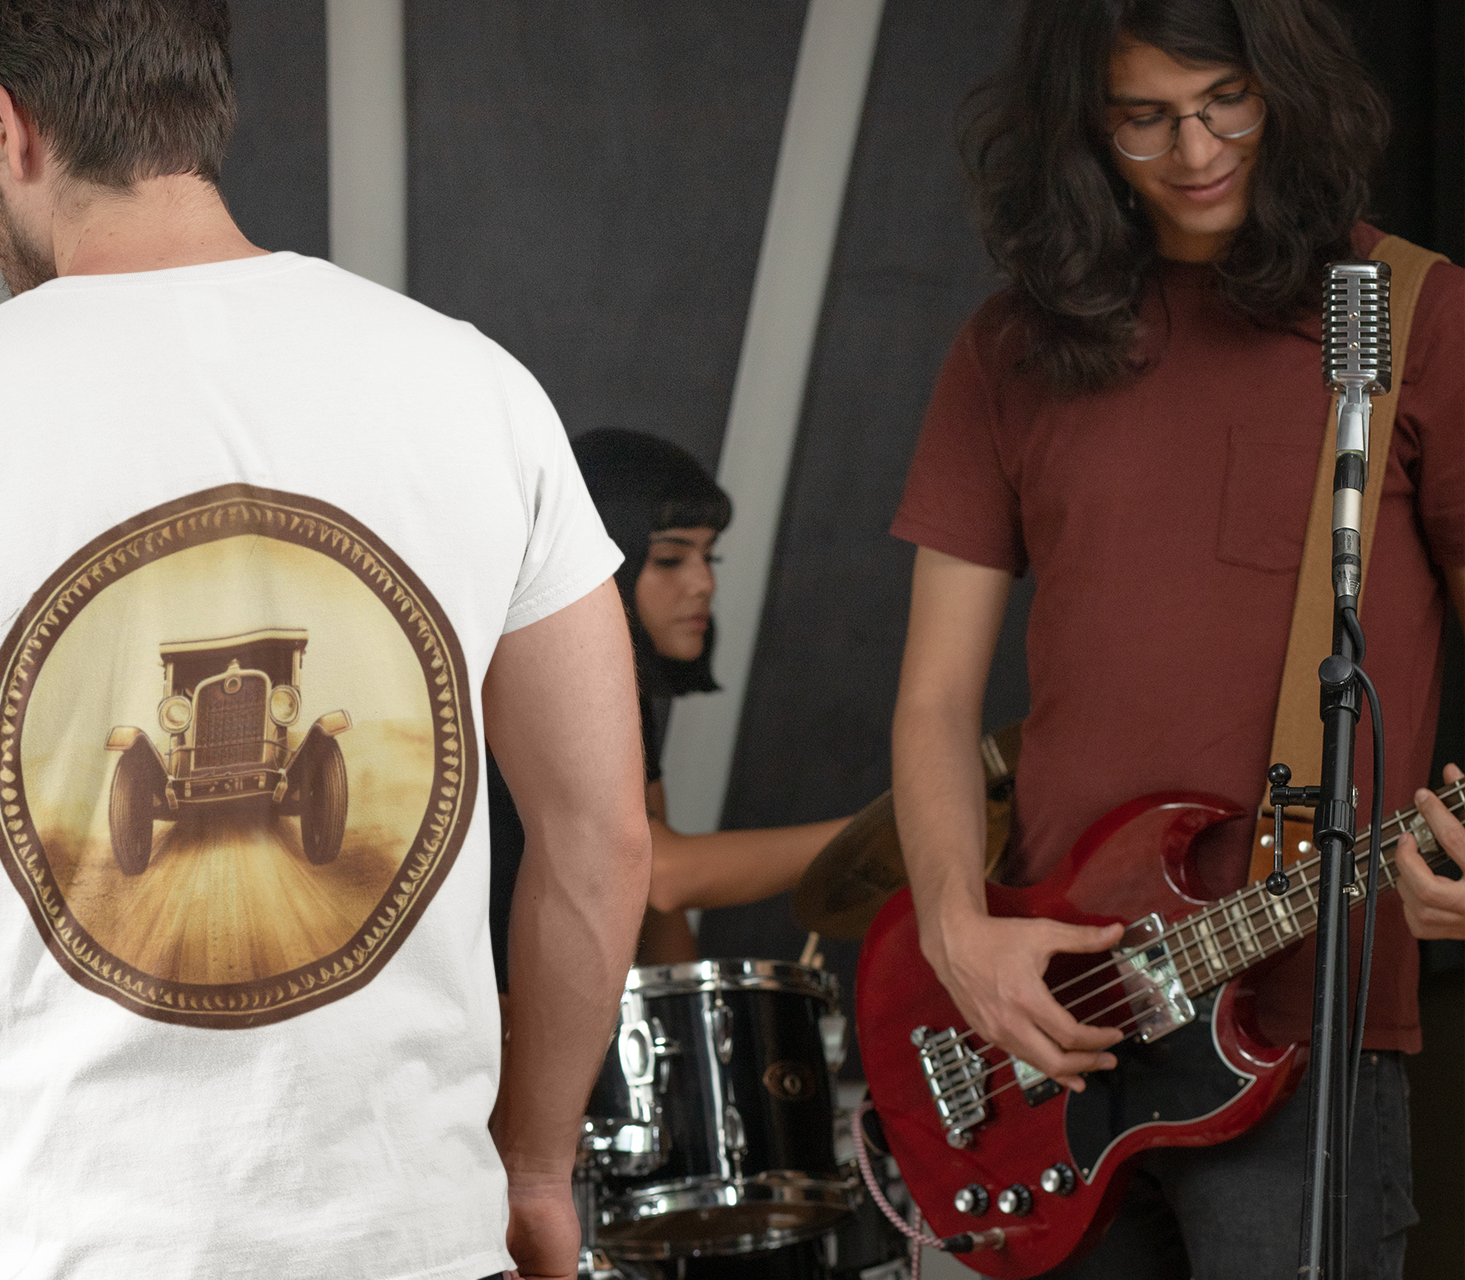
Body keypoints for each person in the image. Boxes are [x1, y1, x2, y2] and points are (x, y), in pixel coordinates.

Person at [0, 4, 651, 1279]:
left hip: (75, 1246)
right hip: (417, 1241)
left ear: (4, 125)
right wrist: (533, 1165)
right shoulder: (481, 389)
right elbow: (600, 839)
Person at [889, 1, 1465, 1275]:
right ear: (1080, 132)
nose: (1195, 151)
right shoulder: (1011, 347)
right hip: (1051, 1034)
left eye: (1226, 104)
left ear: (1288, 89)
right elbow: (933, 698)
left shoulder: (1410, 314)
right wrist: (956, 932)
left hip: (1305, 1020)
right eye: (1142, 120)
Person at [489, 430, 850, 976]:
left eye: (709, 556)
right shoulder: (541, 680)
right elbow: (663, 876)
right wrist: (890, 832)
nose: (704, 583)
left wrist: (691, 1023)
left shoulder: (623, 696)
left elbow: (655, 913)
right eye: (670, 559)